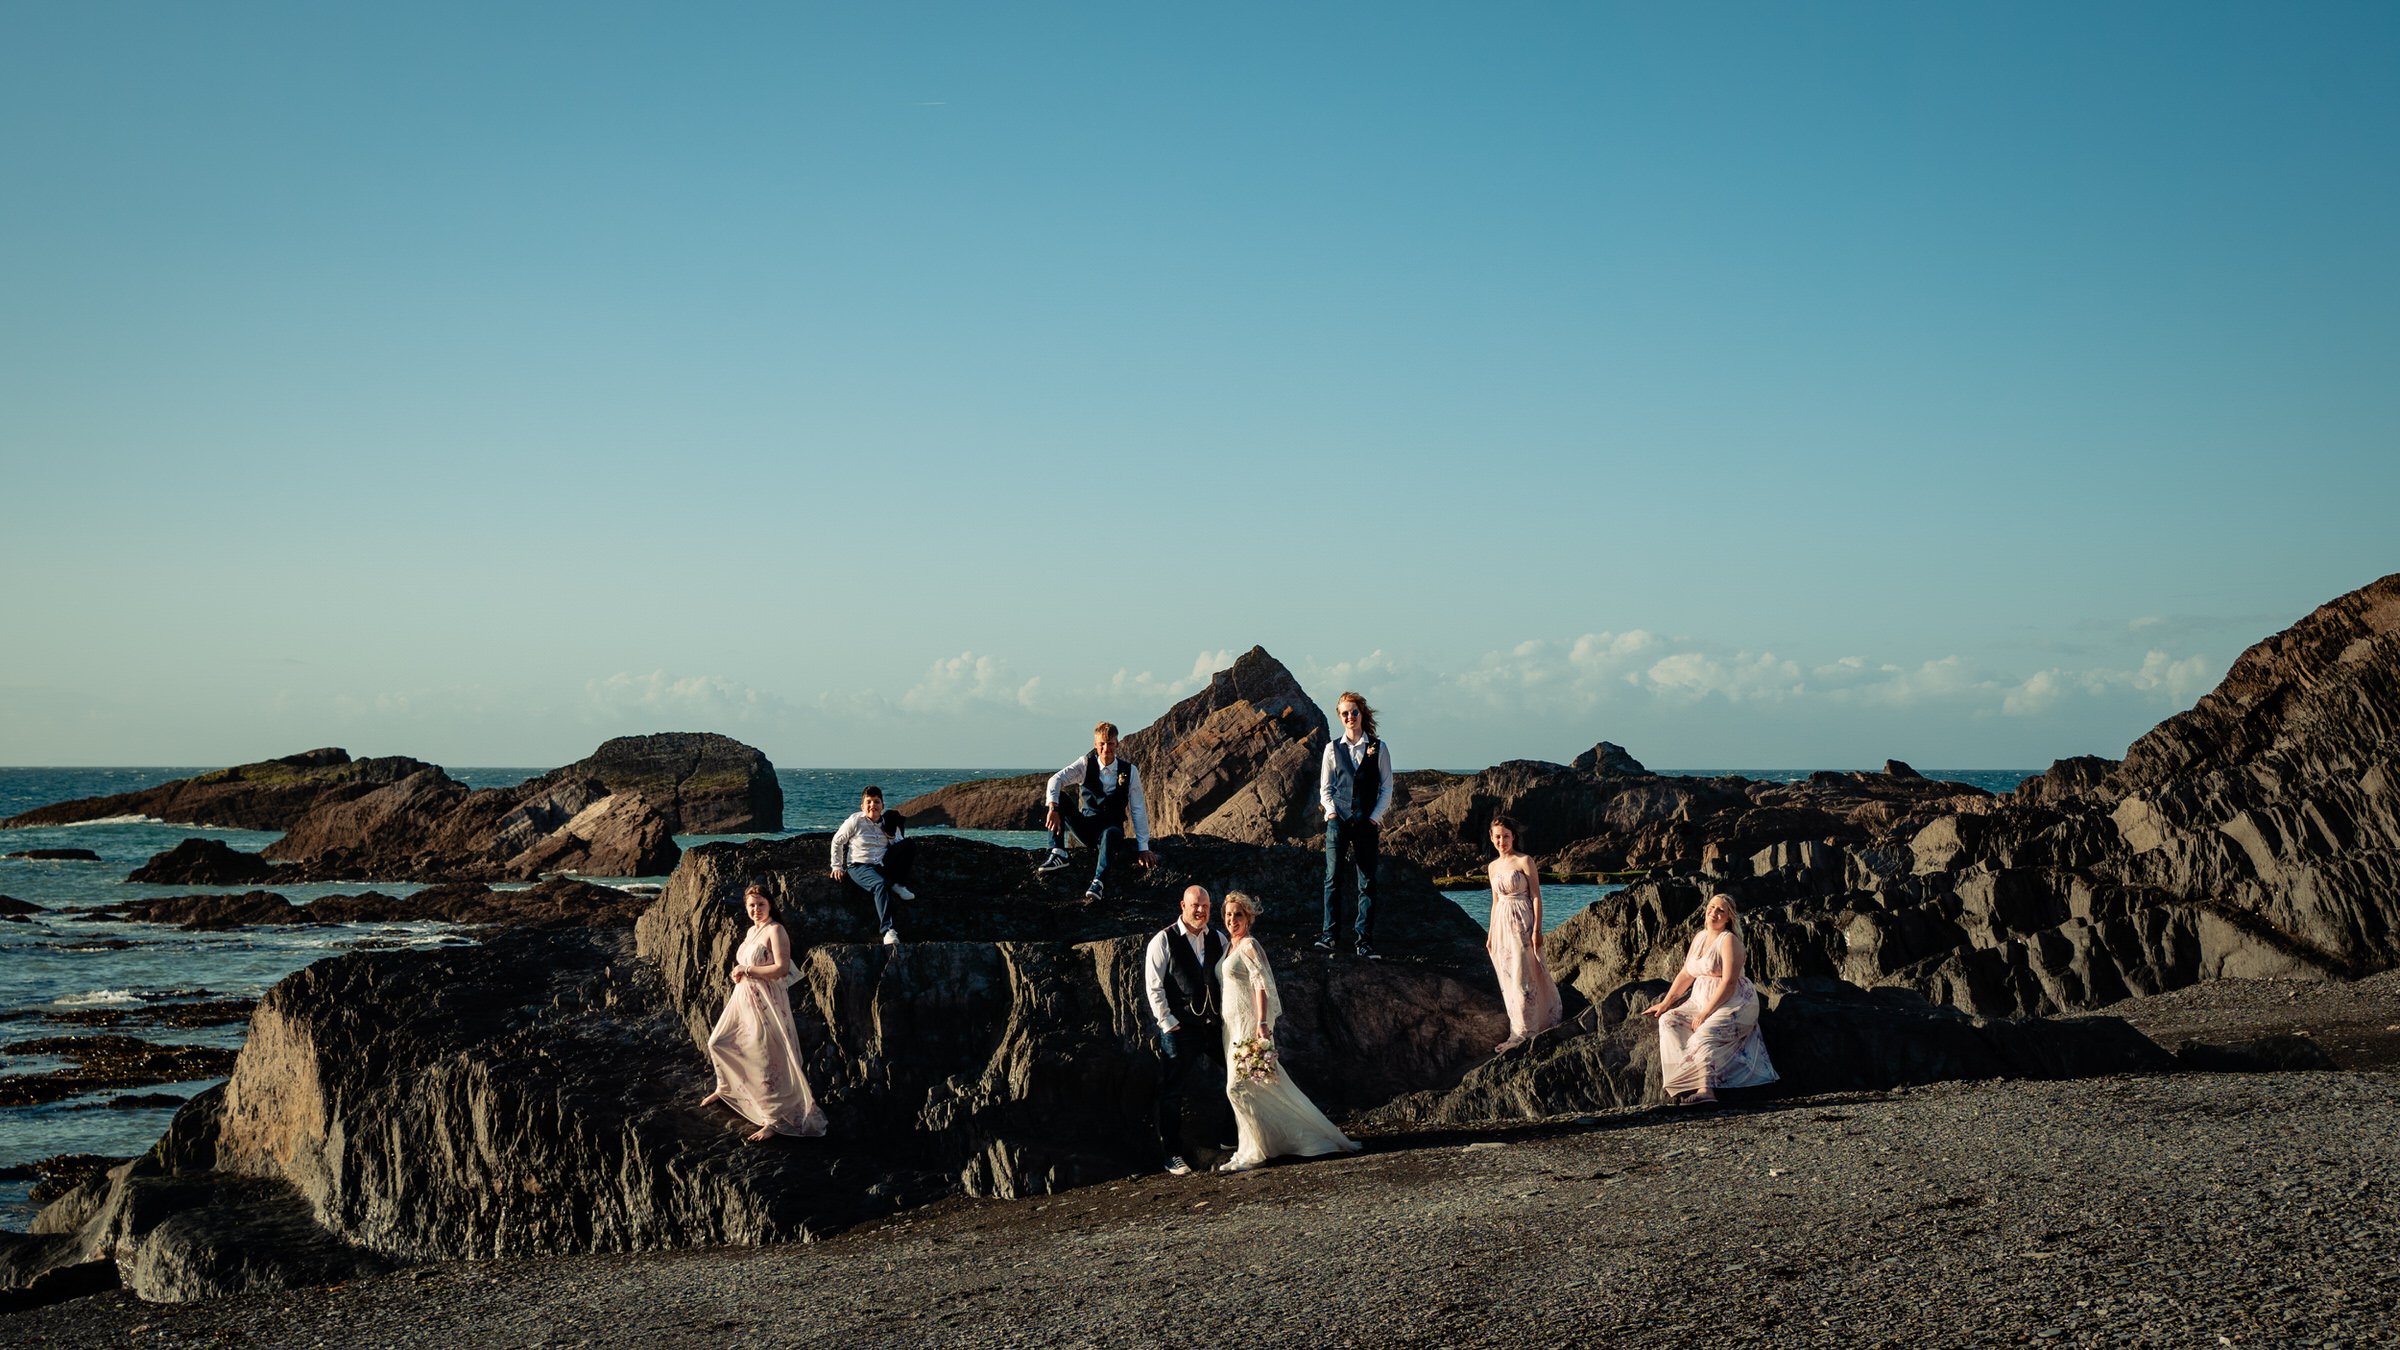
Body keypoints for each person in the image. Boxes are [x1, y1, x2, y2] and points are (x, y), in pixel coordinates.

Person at [1218, 891, 1362, 1173]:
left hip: (1248, 1024)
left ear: (1249, 918)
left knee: (1237, 1088)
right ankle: (1250, 1146)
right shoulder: (1229, 946)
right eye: (1228, 914)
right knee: (1257, 1089)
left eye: (1238, 914)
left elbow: (1261, 984)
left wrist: (1261, 1023)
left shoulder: (1249, 945)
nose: (1232, 919)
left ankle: (1253, 1153)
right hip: (1230, 1027)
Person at [699, 883, 828, 1142]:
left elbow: (780, 969)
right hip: (743, 998)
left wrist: (746, 971)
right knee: (719, 1042)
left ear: (770, 905)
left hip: (767, 1002)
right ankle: (726, 1087)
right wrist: (741, 971)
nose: (756, 909)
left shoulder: (776, 930)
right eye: (751, 905)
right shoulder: (751, 931)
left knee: (768, 1058)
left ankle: (773, 1119)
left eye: (761, 904)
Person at [1641, 892, 1780, 1104]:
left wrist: (1706, 1014)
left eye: (1721, 910)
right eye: (1712, 907)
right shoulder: (1699, 937)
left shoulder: (1729, 941)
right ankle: (1686, 1082)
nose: (1713, 912)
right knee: (1668, 1021)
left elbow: (1729, 983)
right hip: (1699, 1000)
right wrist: (1666, 1003)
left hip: (1733, 1001)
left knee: (1703, 1034)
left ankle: (1707, 1089)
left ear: (1729, 918)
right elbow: (1686, 974)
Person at [1145, 884, 1228, 1177]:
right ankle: (1172, 1154)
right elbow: (1154, 988)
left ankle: (1229, 1139)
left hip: (1215, 1027)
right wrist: (1169, 1023)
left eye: (1205, 906)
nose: (1201, 911)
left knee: (1238, 1074)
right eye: (1195, 905)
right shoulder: (1163, 940)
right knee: (1172, 1092)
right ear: (1182, 905)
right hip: (1180, 1030)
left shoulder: (1219, 938)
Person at [1036, 721, 1159, 903]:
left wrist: (1144, 848)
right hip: (1086, 828)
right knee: (1060, 797)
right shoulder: (1085, 764)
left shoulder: (1130, 771)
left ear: (1117, 744)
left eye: (1110, 744)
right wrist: (1053, 808)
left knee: (1111, 834)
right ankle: (1058, 852)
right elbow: (1055, 780)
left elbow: (1138, 809)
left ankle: (1098, 882)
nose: (1105, 748)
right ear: (1095, 744)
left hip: (1111, 830)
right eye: (1101, 744)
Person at [1317, 691, 1393, 959]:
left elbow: (1386, 787)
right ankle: (1329, 936)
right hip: (1338, 821)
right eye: (1345, 713)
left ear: (1362, 713)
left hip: (1366, 822)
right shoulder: (1331, 749)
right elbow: (1325, 788)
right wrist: (1331, 813)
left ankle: (1364, 940)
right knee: (1332, 878)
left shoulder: (1378, 748)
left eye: (1354, 712)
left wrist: (1374, 817)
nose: (1350, 717)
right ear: (1340, 717)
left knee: (1367, 881)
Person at [1485, 815, 1562, 1054]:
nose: (1501, 841)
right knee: (1508, 979)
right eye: (1497, 837)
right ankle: (1518, 1029)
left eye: (1506, 836)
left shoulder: (1524, 861)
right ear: (1491, 838)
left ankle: (1527, 1031)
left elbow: (1536, 896)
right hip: (1501, 925)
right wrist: (1490, 934)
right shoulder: (1492, 867)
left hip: (1522, 920)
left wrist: (1537, 930)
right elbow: (1495, 901)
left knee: (1524, 976)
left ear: (1513, 837)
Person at [831, 785, 912, 945]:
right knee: (881, 885)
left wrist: (890, 835)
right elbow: (837, 841)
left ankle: (897, 884)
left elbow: (898, 846)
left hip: (882, 864)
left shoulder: (887, 822)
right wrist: (837, 866)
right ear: (862, 806)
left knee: (908, 845)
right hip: (859, 866)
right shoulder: (855, 821)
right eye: (868, 802)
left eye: (876, 802)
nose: (872, 805)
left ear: (882, 805)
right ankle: (888, 931)